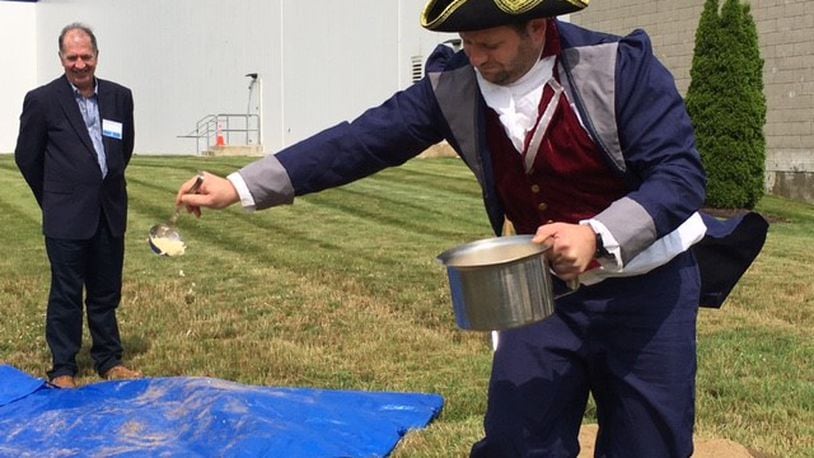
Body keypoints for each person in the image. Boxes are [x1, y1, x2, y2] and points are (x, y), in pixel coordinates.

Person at [175, 0, 767, 456]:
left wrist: (597, 234)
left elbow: (679, 176)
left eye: (488, 43)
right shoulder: (455, 84)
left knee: (650, 446)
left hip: (649, 288)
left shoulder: (620, 68)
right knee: (516, 441)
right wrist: (240, 186)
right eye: (466, 43)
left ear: (538, 28)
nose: (476, 57)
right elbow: (360, 141)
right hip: (543, 294)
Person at [15, 23, 142, 389]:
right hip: (65, 216)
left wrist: (105, 182)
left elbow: (124, 147)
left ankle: (109, 359)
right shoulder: (42, 101)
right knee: (67, 292)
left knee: (105, 291)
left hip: (109, 210)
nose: (80, 64)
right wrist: (55, 197)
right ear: (61, 59)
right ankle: (63, 368)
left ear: (97, 57)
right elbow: (28, 157)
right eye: (72, 57)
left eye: (86, 56)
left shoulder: (120, 97)